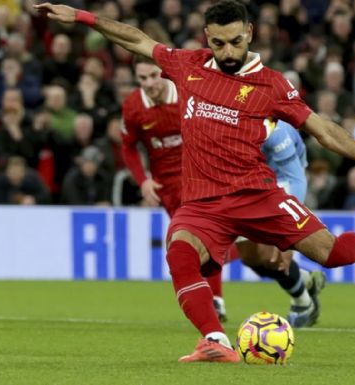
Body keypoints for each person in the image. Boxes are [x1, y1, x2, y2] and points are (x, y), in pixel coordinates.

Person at [35, 0, 355, 363]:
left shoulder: (271, 84)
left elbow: (322, 129)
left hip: (257, 194)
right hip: (203, 204)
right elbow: (136, 39)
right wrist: (83, 17)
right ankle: (215, 341)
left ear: (250, 34)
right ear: (207, 37)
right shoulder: (188, 65)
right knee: (179, 252)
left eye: (235, 42)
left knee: (333, 254)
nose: (227, 52)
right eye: (218, 43)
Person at [120, 56, 324, 328]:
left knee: (260, 251)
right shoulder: (141, 106)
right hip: (209, 181)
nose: (148, 84)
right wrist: (143, 179)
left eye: (153, 76)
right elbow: (128, 146)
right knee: (252, 256)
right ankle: (303, 286)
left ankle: (225, 300)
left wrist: (291, 232)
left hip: (275, 177)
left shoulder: (274, 129)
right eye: (142, 78)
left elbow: (294, 175)